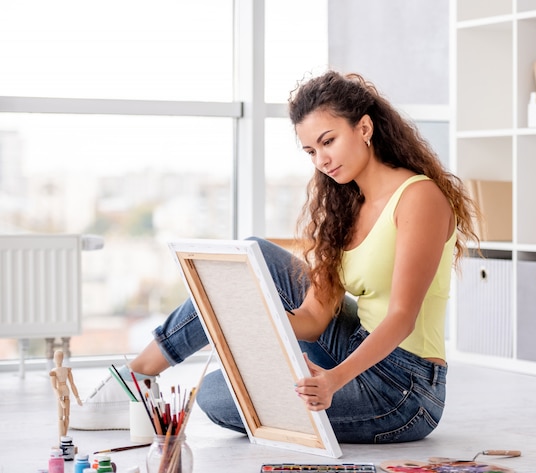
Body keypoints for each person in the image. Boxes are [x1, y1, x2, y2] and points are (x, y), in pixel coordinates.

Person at [70, 70, 478, 443]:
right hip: (354, 344)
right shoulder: (348, 208)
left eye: (328, 141)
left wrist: (333, 380)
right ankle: (137, 377)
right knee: (250, 256)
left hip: (404, 387)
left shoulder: (418, 197)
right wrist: (240, 314)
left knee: (213, 395)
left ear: (365, 128)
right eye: (310, 151)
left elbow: (402, 316)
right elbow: (315, 319)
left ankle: (134, 381)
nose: (322, 161)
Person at [49, 349, 83, 438]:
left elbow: (71, 384)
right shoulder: (56, 371)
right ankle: (62, 439)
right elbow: (55, 387)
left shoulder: (64, 370)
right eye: (58, 357)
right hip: (63, 392)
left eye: (59, 357)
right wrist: (61, 400)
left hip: (63, 392)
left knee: (65, 416)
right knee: (62, 417)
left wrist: (77, 397)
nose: (58, 359)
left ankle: (63, 438)